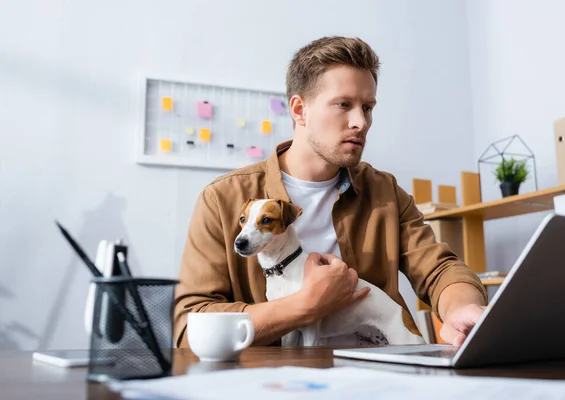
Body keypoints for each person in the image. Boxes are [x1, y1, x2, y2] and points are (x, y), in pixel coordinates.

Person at [173, 36, 487, 349]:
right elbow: (189, 328)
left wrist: (461, 309)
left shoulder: (384, 192)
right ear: (300, 110)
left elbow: (439, 268)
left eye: (367, 107)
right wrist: (303, 307)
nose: (360, 122)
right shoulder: (222, 199)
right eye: (343, 105)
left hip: (383, 377)